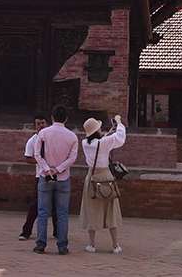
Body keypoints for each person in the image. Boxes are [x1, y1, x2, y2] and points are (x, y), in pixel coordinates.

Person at [32, 104, 78, 255]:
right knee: (62, 213)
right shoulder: (72, 137)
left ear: (52, 118)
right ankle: (62, 246)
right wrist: (57, 170)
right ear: (66, 119)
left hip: (45, 177)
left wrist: (47, 170)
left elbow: (37, 155)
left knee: (43, 212)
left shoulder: (43, 133)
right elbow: (72, 158)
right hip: (63, 178)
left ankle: (40, 244)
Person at [79, 114, 126, 254]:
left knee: (92, 210)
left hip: (92, 177)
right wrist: (119, 123)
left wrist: (108, 134)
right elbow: (120, 138)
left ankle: (92, 245)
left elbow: (98, 144)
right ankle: (115, 245)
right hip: (105, 176)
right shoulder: (103, 143)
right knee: (110, 210)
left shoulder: (85, 143)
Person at [20, 114, 59, 241]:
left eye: (43, 123)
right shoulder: (33, 141)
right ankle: (26, 231)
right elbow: (28, 158)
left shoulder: (52, 138)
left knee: (56, 205)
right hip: (41, 175)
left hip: (55, 173)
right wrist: (40, 161)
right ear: (35, 126)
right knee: (36, 204)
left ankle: (57, 231)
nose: (41, 125)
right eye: (39, 124)